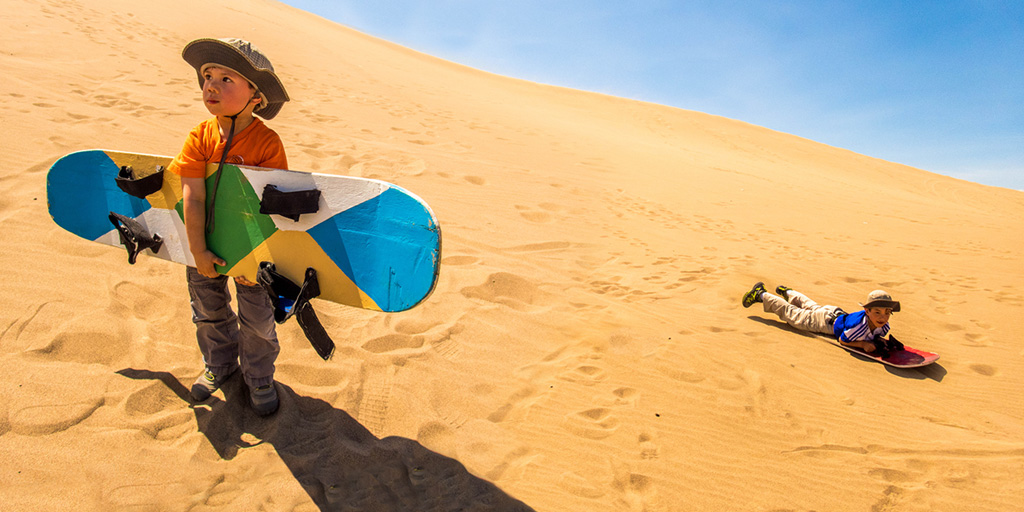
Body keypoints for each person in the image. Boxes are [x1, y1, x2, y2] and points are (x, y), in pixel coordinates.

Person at [167, 38, 291, 416]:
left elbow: (272, 208)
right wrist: (198, 251)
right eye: (207, 76)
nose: (211, 85)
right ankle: (219, 366)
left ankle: (258, 378)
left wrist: (254, 262)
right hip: (203, 246)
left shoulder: (267, 143)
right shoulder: (199, 137)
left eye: (226, 79)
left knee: (258, 322)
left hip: (252, 255)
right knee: (208, 311)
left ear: (256, 97)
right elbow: (193, 196)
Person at [742, 283, 904, 356]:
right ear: (867, 311)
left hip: (834, 312)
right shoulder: (857, 327)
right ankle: (761, 294)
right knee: (793, 315)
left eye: (887, 312)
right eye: (877, 312)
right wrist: (862, 344)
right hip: (825, 323)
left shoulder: (883, 325)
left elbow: (875, 332)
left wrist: (880, 340)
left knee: (812, 306)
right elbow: (843, 340)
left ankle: (790, 293)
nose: (883, 317)